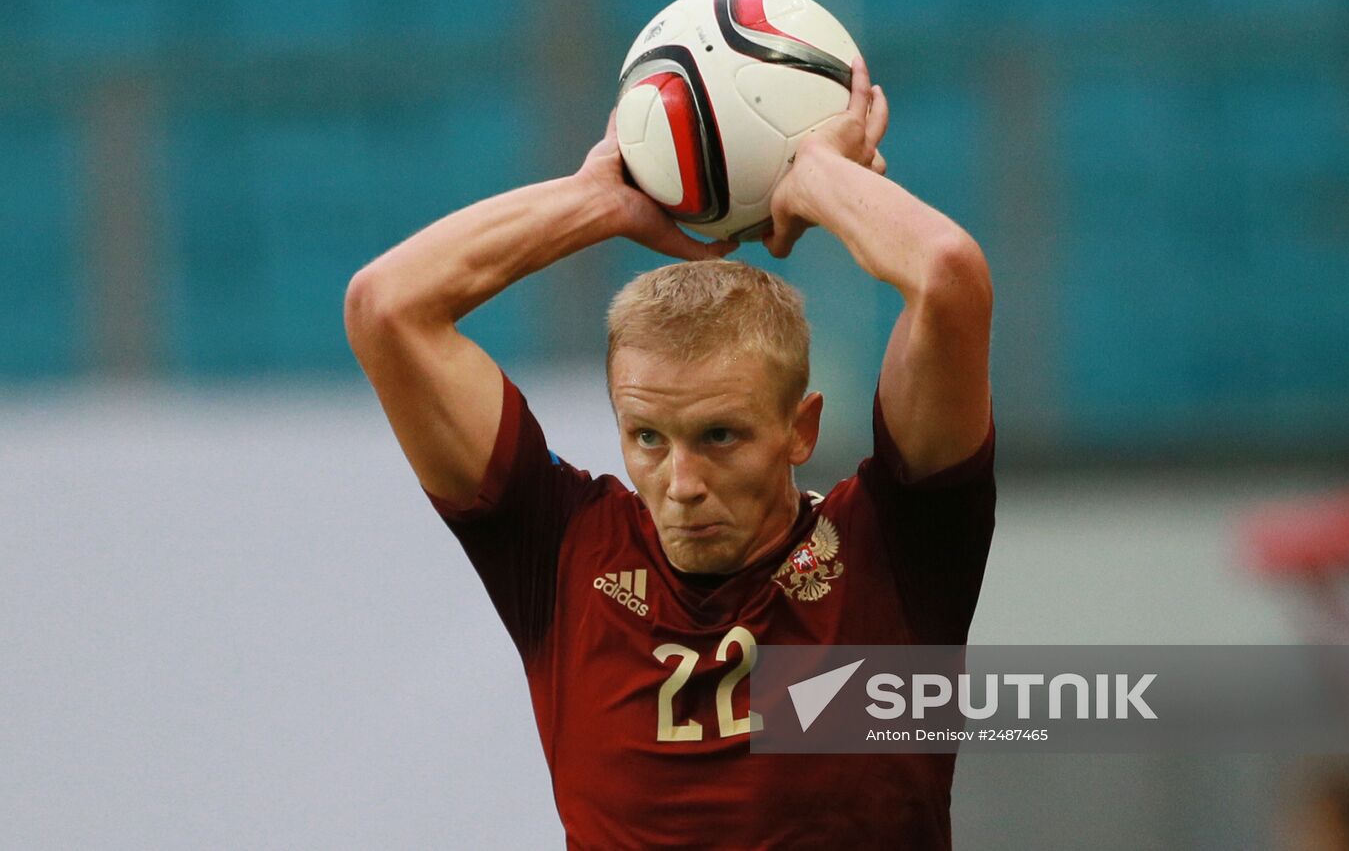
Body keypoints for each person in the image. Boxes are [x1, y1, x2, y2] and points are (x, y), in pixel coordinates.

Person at [345, 58, 995, 849]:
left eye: (720, 436)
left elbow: (947, 274)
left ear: (801, 429)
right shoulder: (559, 551)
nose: (680, 484)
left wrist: (817, 174)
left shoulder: (896, 552)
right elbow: (386, 307)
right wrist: (594, 200)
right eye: (648, 438)